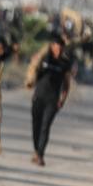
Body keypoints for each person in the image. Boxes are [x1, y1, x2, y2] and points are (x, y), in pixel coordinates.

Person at [26, 35, 72, 167]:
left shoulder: (65, 63)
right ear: (52, 46)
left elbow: (67, 83)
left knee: (45, 127)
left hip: (52, 100)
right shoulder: (43, 58)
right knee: (36, 125)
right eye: (56, 47)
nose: (58, 50)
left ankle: (40, 155)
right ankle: (36, 150)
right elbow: (33, 70)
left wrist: (62, 100)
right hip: (38, 97)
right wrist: (30, 78)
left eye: (61, 48)